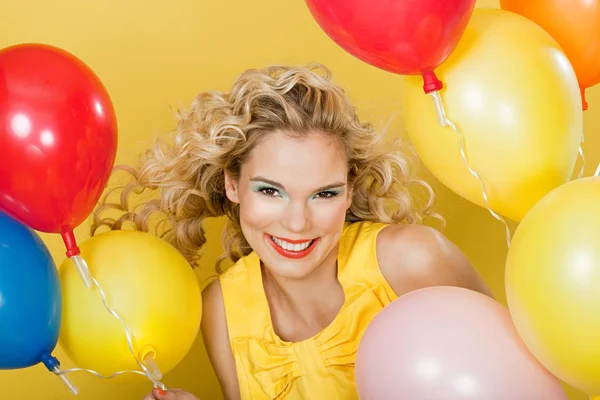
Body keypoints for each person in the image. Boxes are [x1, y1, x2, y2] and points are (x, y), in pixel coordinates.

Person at [93, 63, 493, 400]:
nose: (298, 223)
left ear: (349, 190)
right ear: (232, 183)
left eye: (323, 194)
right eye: (270, 190)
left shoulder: (412, 259)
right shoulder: (221, 310)